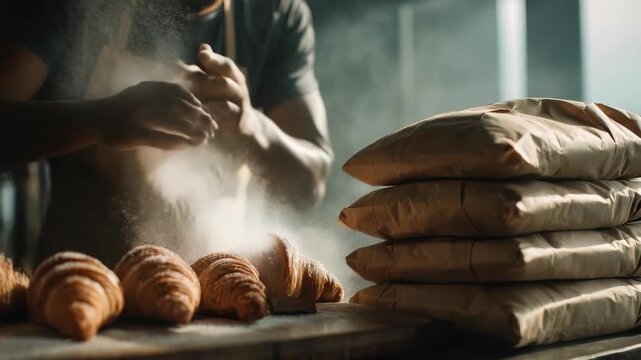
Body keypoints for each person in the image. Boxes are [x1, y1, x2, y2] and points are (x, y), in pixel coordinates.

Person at [0, 0, 332, 266]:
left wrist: (251, 127)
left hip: (217, 299)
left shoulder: (278, 14)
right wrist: (103, 119)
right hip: (79, 287)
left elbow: (311, 183)